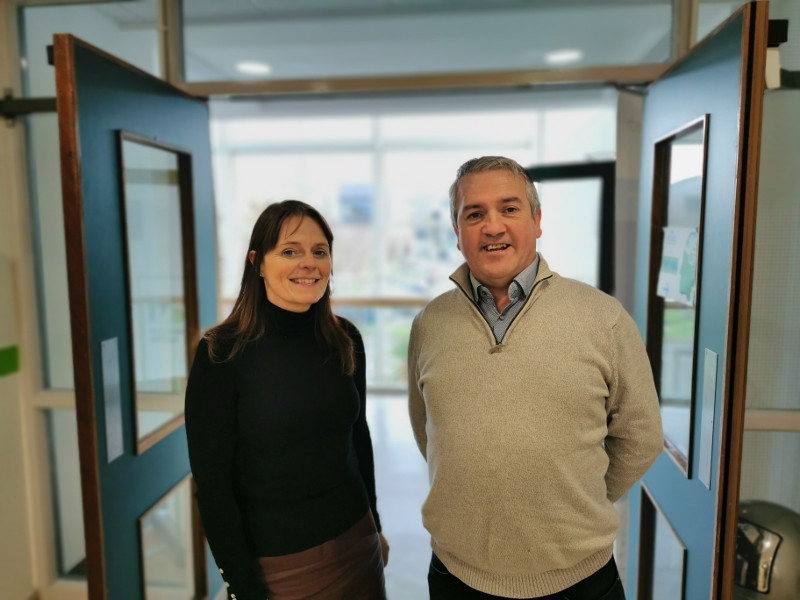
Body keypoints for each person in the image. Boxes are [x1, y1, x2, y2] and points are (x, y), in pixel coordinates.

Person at [407, 156, 663, 599]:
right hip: (457, 577)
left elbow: (641, 435)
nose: (492, 226)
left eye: (509, 209)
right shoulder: (430, 323)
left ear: (537, 220)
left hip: (578, 580)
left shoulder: (602, 318)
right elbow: (428, 430)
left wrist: (575, 501)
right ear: (457, 233)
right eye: (474, 214)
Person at [186, 200, 389, 600]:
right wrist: (242, 586)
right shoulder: (221, 353)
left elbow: (358, 438)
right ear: (258, 263)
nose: (308, 263)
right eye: (290, 251)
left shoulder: (346, 339)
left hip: (357, 541)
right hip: (281, 564)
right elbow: (213, 486)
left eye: (320, 252)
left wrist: (376, 525)